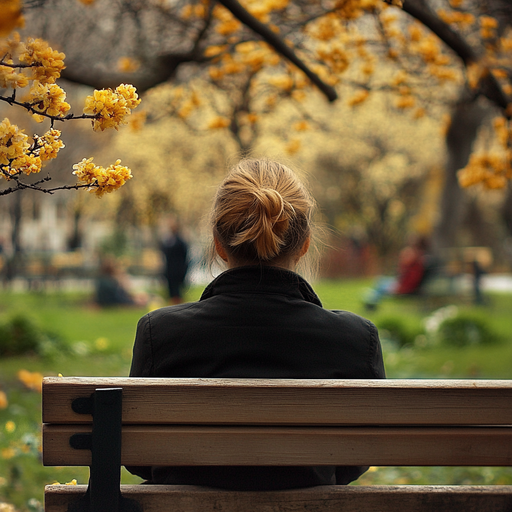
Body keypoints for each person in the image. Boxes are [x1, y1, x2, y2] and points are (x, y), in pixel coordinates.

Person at [127, 158, 385, 490]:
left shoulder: (159, 333)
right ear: (305, 245)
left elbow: (137, 457)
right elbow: (357, 458)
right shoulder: (355, 339)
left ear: (219, 246)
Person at [363, 235, 432, 310]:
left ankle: (371, 305)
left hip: (402, 289)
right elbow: (402, 277)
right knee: (379, 281)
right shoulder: (415, 265)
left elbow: (408, 284)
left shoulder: (416, 268)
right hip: (400, 285)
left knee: (379, 286)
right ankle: (371, 302)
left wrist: (398, 289)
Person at [160, 217, 189, 304]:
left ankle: (176, 304)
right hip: (170, 270)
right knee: (171, 290)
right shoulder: (169, 240)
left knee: (176, 291)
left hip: (177, 270)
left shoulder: (180, 241)